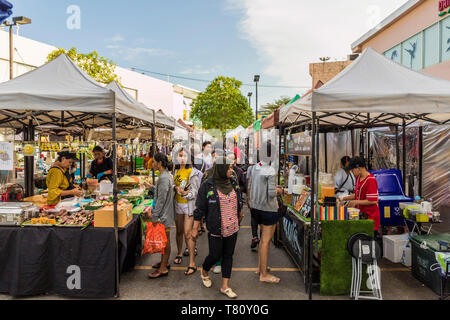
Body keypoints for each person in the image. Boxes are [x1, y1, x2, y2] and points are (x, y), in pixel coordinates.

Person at [192, 157, 243, 299]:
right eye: (228, 168)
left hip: (232, 227)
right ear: (220, 169)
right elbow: (200, 208)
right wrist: (195, 228)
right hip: (216, 227)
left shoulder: (233, 182)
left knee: (228, 256)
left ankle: (225, 286)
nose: (231, 170)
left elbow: (238, 199)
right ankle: (204, 270)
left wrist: (240, 212)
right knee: (214, 255)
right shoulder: (207, 185)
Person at [249, 142, 283, 283]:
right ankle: (263, 274)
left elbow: (250, 187)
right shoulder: (270, 169)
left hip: (256, 208)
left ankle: (260, 268)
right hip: (268, 209)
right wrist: (280, 191)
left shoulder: (255, 167)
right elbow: (271, 194)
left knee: (263, 241)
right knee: (265, 241)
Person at [172, 147, 202, 276]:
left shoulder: (193, 172)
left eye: (184, 156)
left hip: (188, 206)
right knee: (178, 231)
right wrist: (175, 188)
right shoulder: (176, 171)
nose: (182, 158)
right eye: (180, 156)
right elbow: (172, 185)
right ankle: (179, 253)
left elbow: (195, 191)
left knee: (187, 233)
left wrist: (185, 193)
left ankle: (192, 262)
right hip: (177, 204)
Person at [146, 153, 175, 279]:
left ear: (159, 163)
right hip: (166, 213)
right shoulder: (166, 175)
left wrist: (155, 216)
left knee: (165, 241)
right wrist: (151, 187)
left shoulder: (164, 177)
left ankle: (163, 268)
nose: (152, 164)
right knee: (165, 240)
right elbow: (162, 192)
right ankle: (165, 262)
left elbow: (161, 200)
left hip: (164, 214)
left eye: (154, 162)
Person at [341, 157, 380, 235]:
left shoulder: (370, 180)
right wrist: (344, 198)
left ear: (358, 168)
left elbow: (373, 200)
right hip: (361, 215)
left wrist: (355, 202)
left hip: (370, 217)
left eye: (352, 170)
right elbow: (357, 194)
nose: (352, 172)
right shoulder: (358, 178)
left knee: (367, 240)